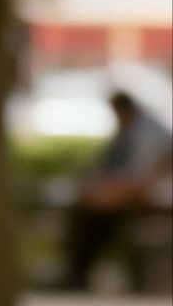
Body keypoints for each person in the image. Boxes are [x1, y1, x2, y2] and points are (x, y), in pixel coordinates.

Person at [60, 89, 173, 291]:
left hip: (152, 203)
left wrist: (105, 194)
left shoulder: (148, 133)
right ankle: (77, 273)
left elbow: (140, 180)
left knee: (91, 218)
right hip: (132, 201)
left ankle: (78, 275)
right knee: (85, 216)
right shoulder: (128, 132)